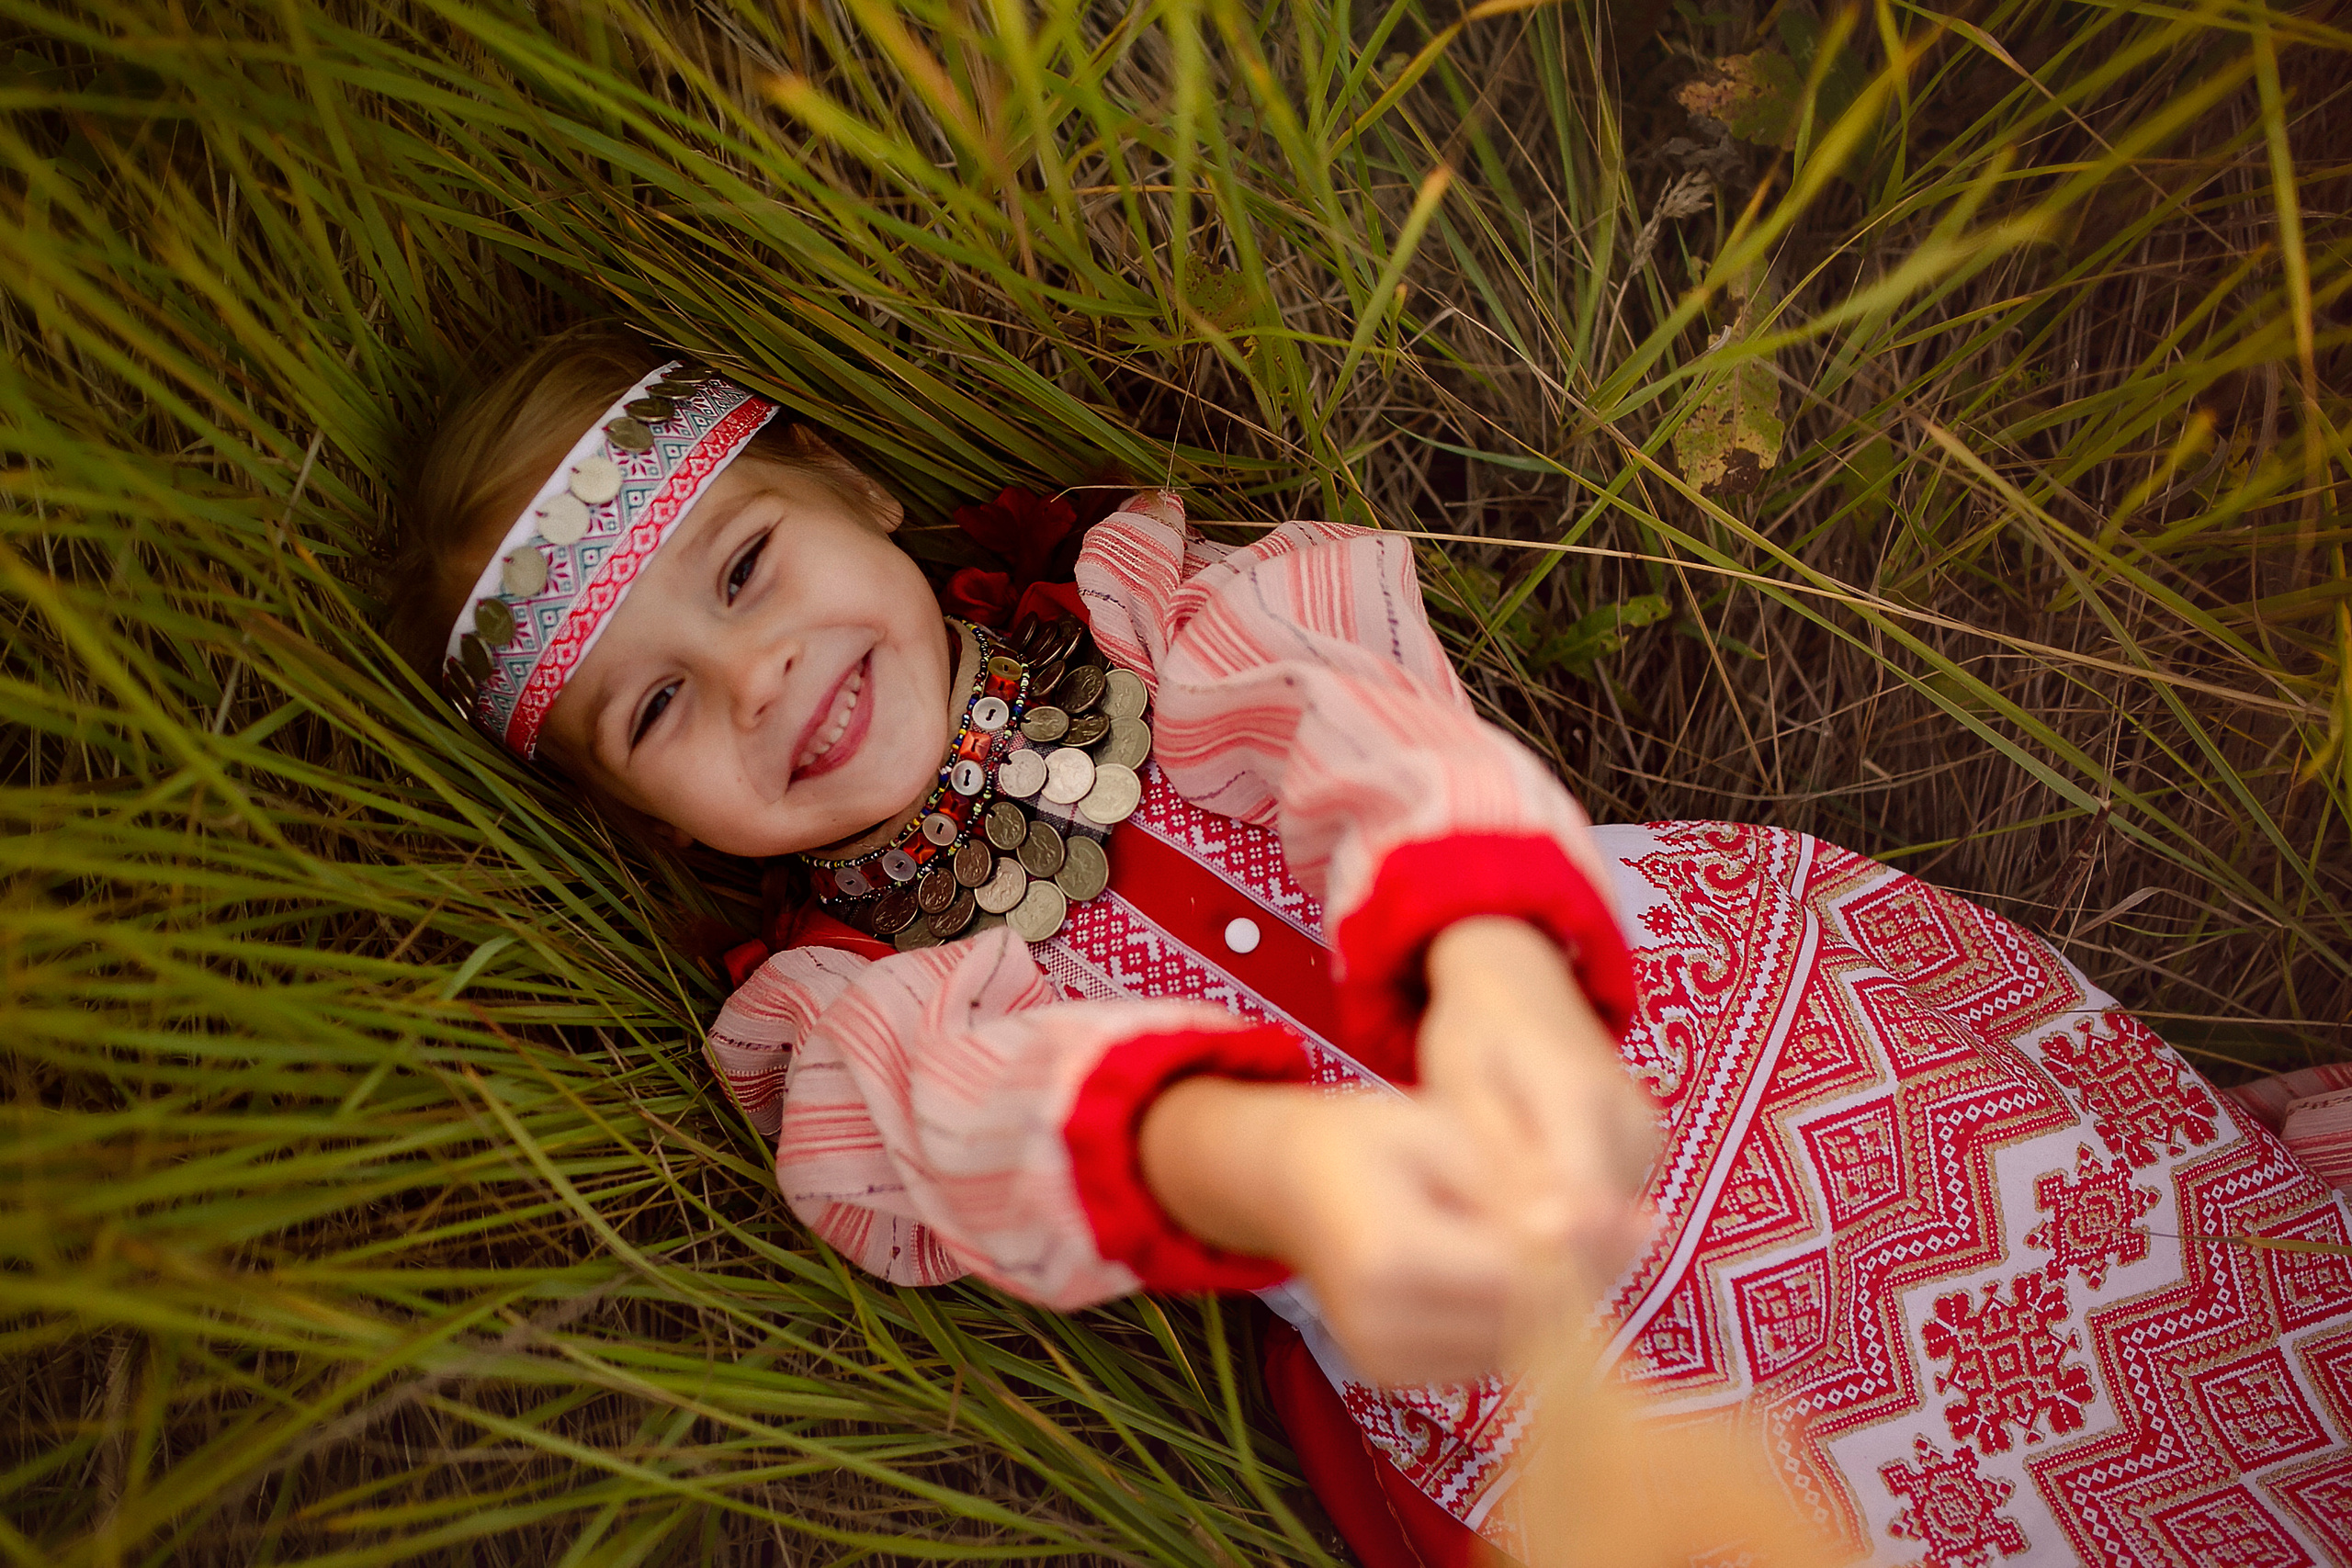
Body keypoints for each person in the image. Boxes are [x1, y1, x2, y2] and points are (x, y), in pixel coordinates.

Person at [394, 330, 2352, 1568]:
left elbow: (1378, 754)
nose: (758, 676)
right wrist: (1277, 1162)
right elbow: (1002, 1133)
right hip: (1506, 1334)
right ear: (646, 817)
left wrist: (1493, 957)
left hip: (1723, 1029)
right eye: (653, 712)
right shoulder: (853, 1009)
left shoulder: (1169, 627)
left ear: (855, 492)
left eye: (746, 567)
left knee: (2133, 1290)